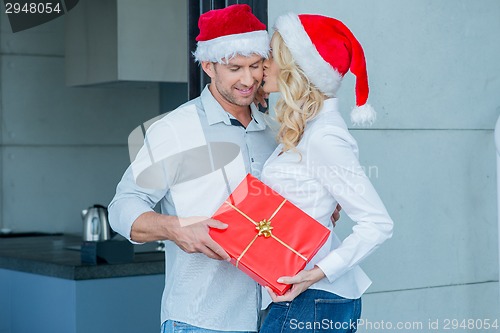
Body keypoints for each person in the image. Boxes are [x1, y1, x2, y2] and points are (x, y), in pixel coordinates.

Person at [109, 5, 340, 333]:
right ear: (208, 65)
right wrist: (177, 228)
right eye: (235, 68)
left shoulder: (276, 131)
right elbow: (121, 208)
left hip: (275, 316)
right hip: (201, 320)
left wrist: (322, 205)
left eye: (256, 66)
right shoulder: (175, 129)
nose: (248, 79)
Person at [258, 13, 394, 332]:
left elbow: (377, 223)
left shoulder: (324, 137)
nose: (263, 64)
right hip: (303, 298)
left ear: (298, 69)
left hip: (310, 299)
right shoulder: (308, 130)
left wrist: (316, 272)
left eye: (273, 56)